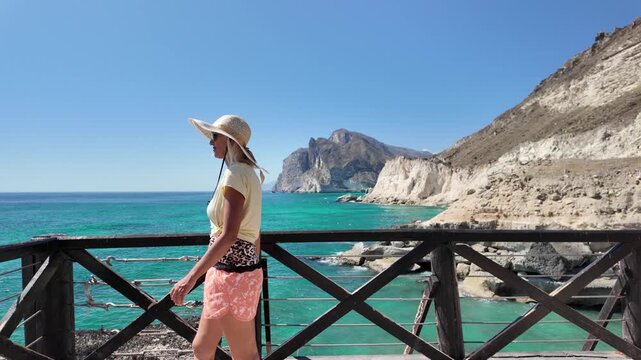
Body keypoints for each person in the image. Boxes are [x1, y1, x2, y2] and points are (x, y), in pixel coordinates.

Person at [170, 115, 266, 360]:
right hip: (227, 272)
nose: (210, 142)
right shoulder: (248, 174)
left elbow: (229, 235)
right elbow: (254, 232)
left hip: (232, 276)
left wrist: (189, 279)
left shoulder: (236, 174)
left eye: (215, 136)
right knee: (201, 348)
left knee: (245, 355)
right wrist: (252, 266)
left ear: (230, 141)